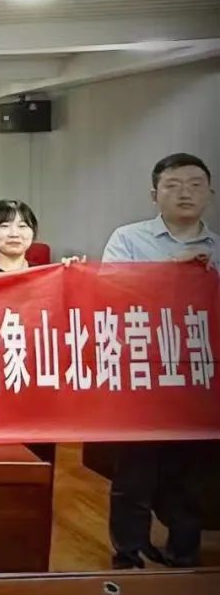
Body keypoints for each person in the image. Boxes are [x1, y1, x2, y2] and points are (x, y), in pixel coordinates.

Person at [102, 153, 217, 571]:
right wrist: (169, 270)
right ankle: (129, 553)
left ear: (209, 193)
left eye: (195, 184)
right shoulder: (128, 239)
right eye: (173, 185)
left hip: (201, 377)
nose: (185, 192)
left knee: (192, 474)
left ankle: (183, 553)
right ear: (155, 194)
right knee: (135, 472)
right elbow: (109, 291)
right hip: (144, 374)